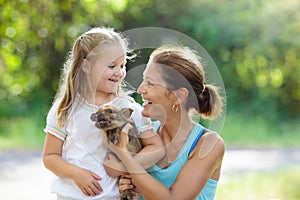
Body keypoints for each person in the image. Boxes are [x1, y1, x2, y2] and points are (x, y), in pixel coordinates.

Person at [42, 27, 164, 200]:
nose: (119, 72)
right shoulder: (65, 109)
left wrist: (126, 165)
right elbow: (50, 156)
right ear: (87, 66)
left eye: (122, 65)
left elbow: (156, 148)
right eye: (111, 65)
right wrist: (76, 174)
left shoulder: (129, 109)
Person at [105, 46, 225, 200]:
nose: (140, 89)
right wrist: (130, 192)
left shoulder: (209, 144)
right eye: (143, 79)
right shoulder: (145, 137)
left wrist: (124, 156)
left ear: (178, 96)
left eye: (150, 83)